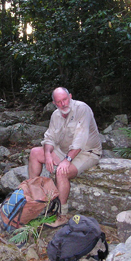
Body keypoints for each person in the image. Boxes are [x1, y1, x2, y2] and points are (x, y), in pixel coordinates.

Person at [28, 87, 102, 228]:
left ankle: (62, 214)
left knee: (61, 172)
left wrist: (66, 160)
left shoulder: (82, 109)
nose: (63, 104)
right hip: (63, 150)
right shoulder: (56, 115)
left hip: (87, 152)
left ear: (70, 96)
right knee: (35, 153)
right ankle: (35, 198)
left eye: (65, 100)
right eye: (59, 102)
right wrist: (48, 154)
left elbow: (80, 139)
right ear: (54, 103)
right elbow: (49, 137)